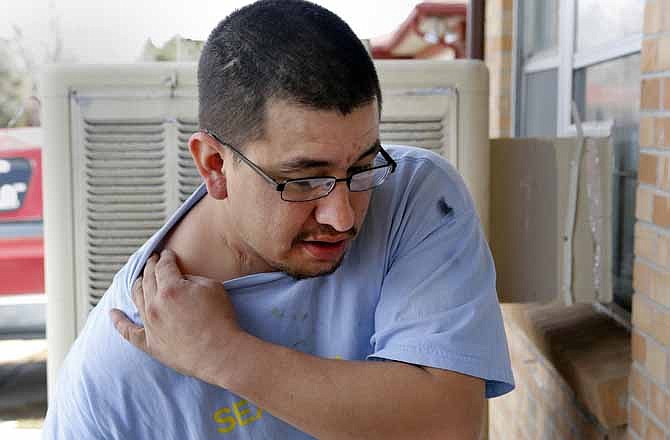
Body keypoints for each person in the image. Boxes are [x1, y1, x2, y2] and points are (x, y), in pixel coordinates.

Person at [43, 1, 514, 438]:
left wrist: (224, 354)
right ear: (213, 165)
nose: (342, 216)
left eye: (361, 168)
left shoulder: (415, 197)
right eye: (304, 179)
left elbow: (448, 423)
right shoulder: (116, 369)